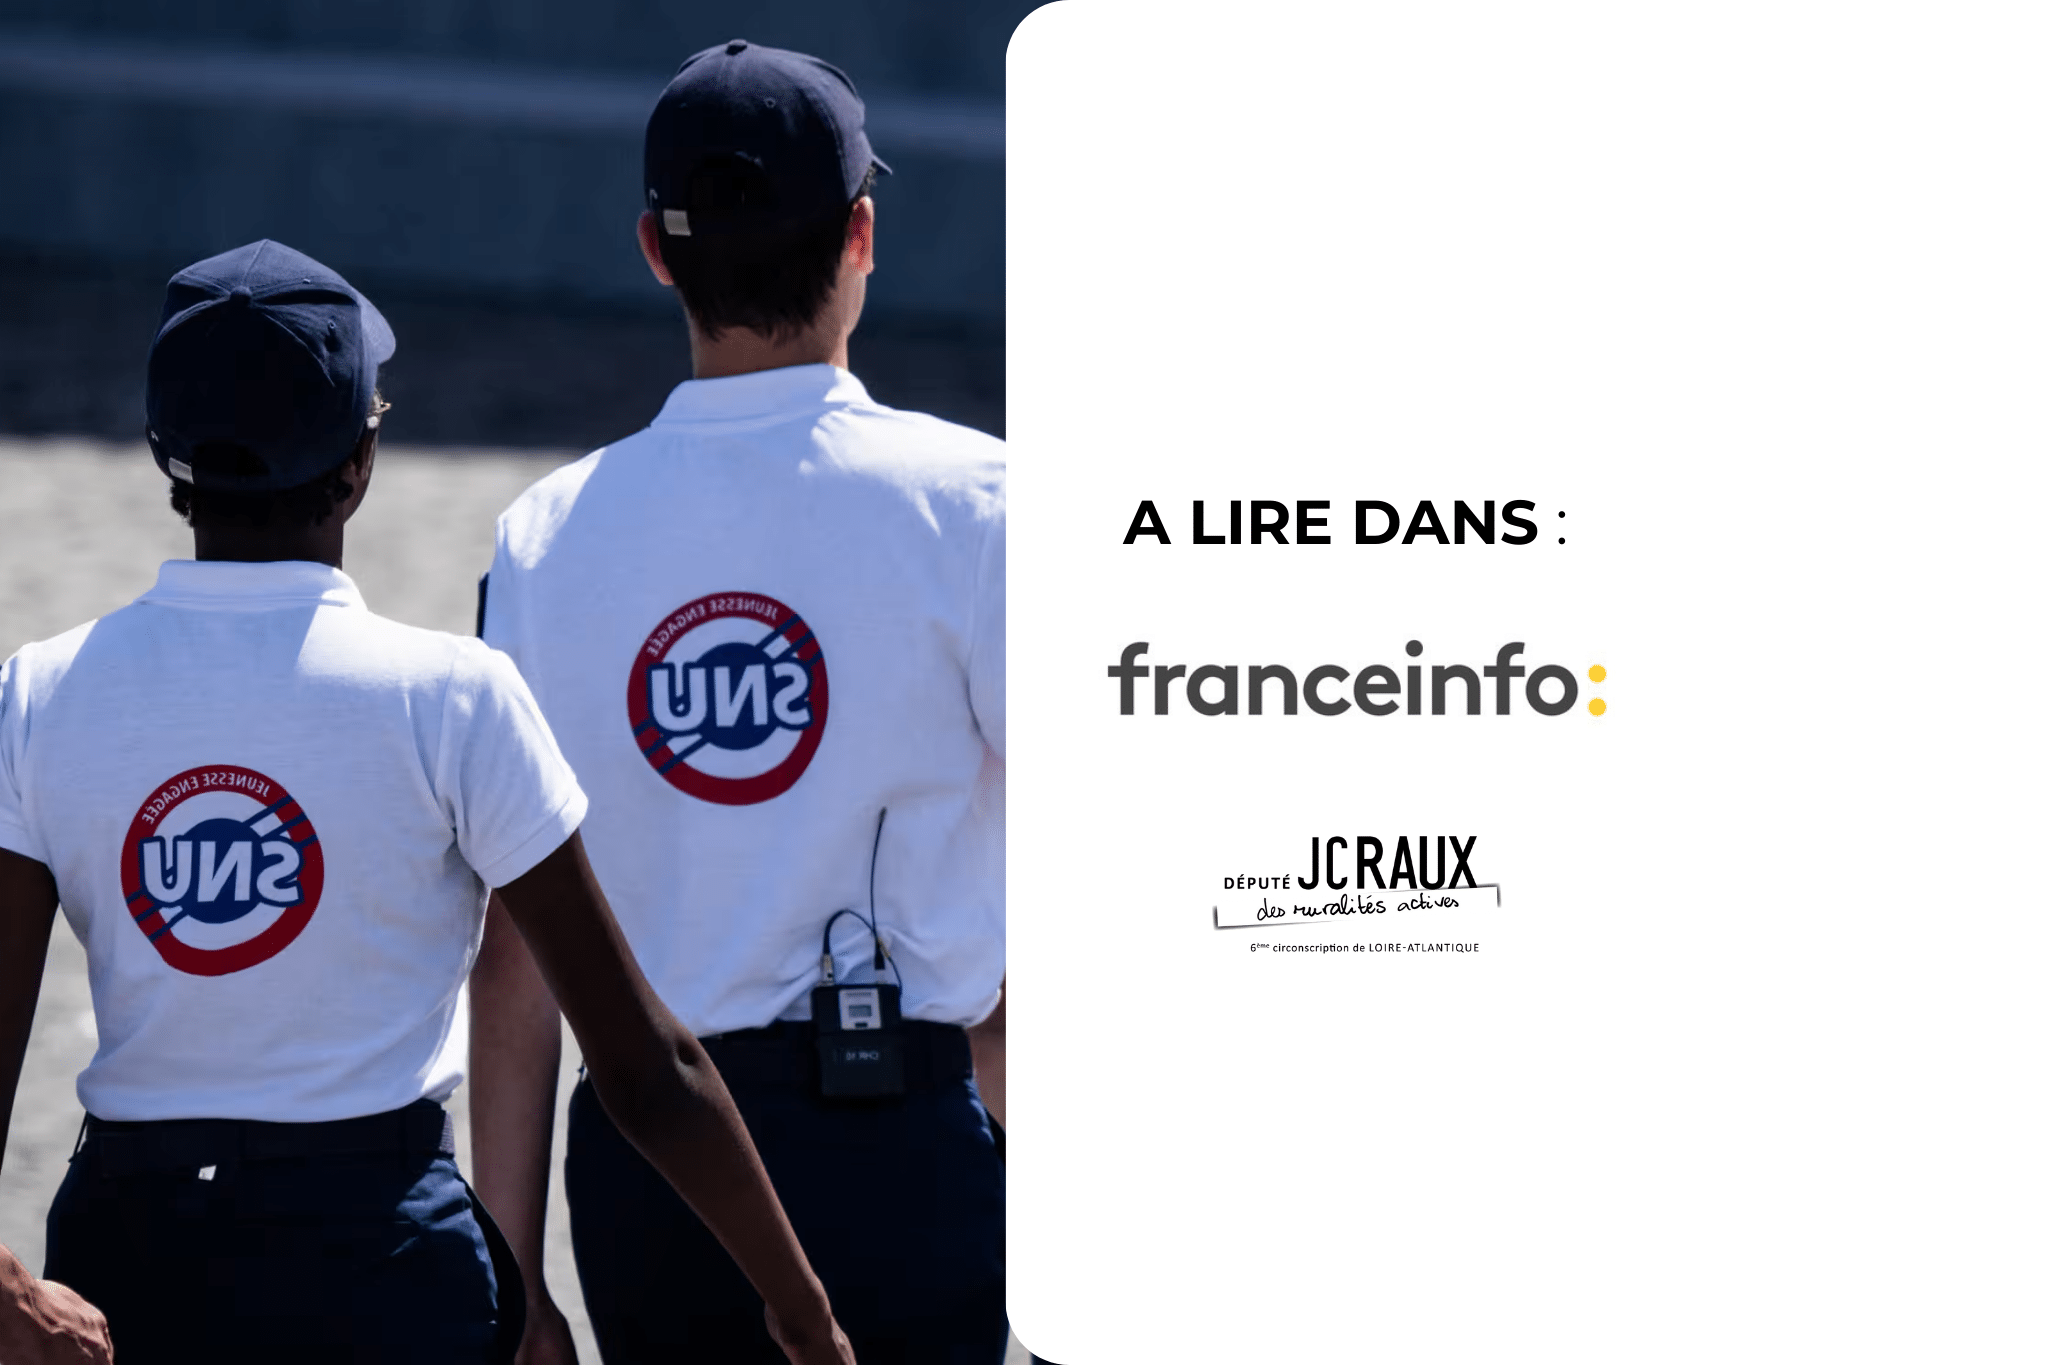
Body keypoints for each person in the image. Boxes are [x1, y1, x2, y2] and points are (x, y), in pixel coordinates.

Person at [0, 239, 855, 1365]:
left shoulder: (41, 693)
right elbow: (646, 1067)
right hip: (382, 1262)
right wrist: (802, 1312)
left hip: (135, 1250)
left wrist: (11, 1290)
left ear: (170, 458)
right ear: (359, 463)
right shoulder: (452, 698)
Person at [470, 38, 1007, 1365]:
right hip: (910, 1148)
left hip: (651, 1175)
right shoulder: (981, 505)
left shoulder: (541, 539)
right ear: (862, 236)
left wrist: (512, 1278)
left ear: (656, 250)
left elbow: (515, 949)